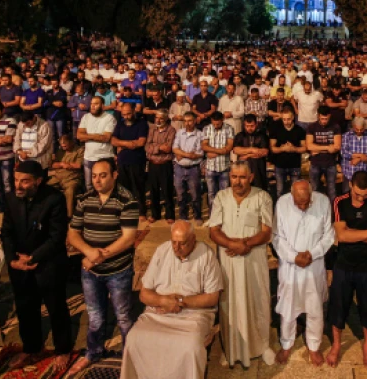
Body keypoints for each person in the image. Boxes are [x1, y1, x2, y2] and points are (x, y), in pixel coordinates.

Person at [121, 221, 224, 379]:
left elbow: (212, 297)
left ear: (193, 239)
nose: (176, 247)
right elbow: (144, 294)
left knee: (191, 347)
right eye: (173, 242)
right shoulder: (162, 250)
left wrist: (180, 302)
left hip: (193, 315)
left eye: (182, 243)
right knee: (134, 338)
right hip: (158, 313)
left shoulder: (207, 254)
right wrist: (163, 301)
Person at [67, 158, 140, 375]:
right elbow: (73, 233)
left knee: (124, 317)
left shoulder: (127, 200)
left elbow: (128, 239)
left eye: (103, 175)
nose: (97, 180)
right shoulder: (85, 198)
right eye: (95, 175)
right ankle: (93, 352)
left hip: (118, 271)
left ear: (114, 175)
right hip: (91, 272)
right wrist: (89, 253)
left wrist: (98, 257)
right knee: (95, 316)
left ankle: (130, 355)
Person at [1, 161, 73, 368]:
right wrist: (12, 259)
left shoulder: (54, 199)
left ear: (38, 181)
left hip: (48, 265)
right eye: (16, 180)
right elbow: (6, 233)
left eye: (25, 181)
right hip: (20, 268)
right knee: (26, 309)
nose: (19, 185)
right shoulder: (11, 198)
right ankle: (31, 348)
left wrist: (32, 259)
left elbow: (56, 237)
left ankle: (63, 349)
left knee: (56, 309)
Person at [207, 162, 275, 368]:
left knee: (258, 299)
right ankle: (231, 349)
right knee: (230, 302)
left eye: (242, 177)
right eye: (234, 177)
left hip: (254, 260)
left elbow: (266, 232)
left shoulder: (262, 197)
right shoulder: (221, 197)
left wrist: (245, 244)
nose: (237, 181)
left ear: (251, 177)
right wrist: (233, 244)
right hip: (228, 261)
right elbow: (214, 230)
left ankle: (262, 347)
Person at [273, 179, 334, 367]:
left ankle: (314, 346)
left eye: (306, 202)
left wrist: (312, 254)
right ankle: (286, 343)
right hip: (290, 266)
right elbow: (277, 236)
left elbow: (328, 234)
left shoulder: (323, 202)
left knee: (315, 307)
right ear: (292, 195)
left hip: (314, 265)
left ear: (311, 193)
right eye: (299, 203)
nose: (303, 206)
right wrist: (293, 256)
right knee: (288, 308)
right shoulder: (282, 203)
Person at [328, 172, 367, 368]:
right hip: (343, 262)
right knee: (338, 306)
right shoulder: (339, 202)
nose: (362, 198)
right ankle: (336, 345)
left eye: (365, 194)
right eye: (358, 194)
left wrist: (352, 233)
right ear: (350, 185)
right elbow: (341, 236)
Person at [111, 102, 149, 214]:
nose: (126, 116)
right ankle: (126, 210)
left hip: (137, 160)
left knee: (139, 188)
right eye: (123, 114)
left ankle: (142, 212)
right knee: (124, 189)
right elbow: (113, 140)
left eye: (128, 114)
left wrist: (121, 144)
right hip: (122, 161)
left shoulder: (141, 124)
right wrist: (130, 144)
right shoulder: (120, 125)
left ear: (134, 111)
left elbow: (141, 142)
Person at [76, 96, 116, 193]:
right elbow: (79, 136)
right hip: (88, 158)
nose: (93, 106)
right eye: (92, 104)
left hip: (104, 157)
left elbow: (106, 137)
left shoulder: (110, 118)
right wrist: (98, 136)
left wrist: (87, 135)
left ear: (102, 106)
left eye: (96, 104)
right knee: (89, 186)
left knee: (105, 186)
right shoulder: (86, 117)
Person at [144, 109, 176, 222]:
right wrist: (159, 147)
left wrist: (154, 147)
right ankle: (155, 214)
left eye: (161, 118)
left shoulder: (171, 130)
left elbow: (168, 148)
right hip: (153, 164)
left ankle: (170, 215)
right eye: (156, 117)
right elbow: (147, 147)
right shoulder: (152, 129)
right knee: (153, 191)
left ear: (166, 119)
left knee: (167, 191)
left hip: (165, 164)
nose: (158, 120)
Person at [172, 111, 204, 222]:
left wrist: (181, 154)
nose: (187, 123)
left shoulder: (200, 134)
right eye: (185, 121)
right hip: (179, 168)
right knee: (180, 195)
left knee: (195, 195)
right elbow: (175, 148)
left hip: (193, 169)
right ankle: (183, 217)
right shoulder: (179, 133)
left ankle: (197, 216)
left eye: (190, 120)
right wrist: (187, 154)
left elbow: (199, 154)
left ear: (195, 121)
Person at [306, 105, 341, 201]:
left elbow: (337, 147)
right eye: (322, 119)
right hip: (315, 163)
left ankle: (333, 213)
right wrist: (327, 147)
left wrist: (317, 149)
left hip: (330, 163)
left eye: (326, 119)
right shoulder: (312, 127)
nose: (324, 121)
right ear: (318, 116)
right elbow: (309, 146)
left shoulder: (335, 127)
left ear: (329, 116)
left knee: (332, 191)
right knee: (314, 191)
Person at [270, 109, 307, 196]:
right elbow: (272, 149)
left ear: (293, 117)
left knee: (295, 192)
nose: (286, 122)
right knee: (280, 191)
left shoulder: (300, 130)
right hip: (280, 165)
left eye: (288, 119)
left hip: (295, 165)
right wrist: (282, 149)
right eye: (284, 119)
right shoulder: (276, 130)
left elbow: (304, 148)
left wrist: (294, 149)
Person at [201, 111, 234, 206]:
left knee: (224, 195)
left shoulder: (229, 129)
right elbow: (204, 146)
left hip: (224, 167)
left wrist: (213, 152)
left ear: (222, 119)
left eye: (218, 124)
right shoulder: (206, 128)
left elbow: (228, 148)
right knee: (211, 194)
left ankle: (224, 217)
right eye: (214, 123)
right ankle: (213, 217)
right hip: (210, 167)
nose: (215, 125)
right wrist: (220, 151)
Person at [47, 134, 84, 216]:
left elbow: (78, 165)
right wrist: (63, 164)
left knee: (70, 192)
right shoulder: (60, 151)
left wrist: (65, 165)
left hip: (72, 178)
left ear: (71, 142)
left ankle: (69, 216)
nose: (63, 146)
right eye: (61, 144)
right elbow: (53, 165)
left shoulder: (79, 150)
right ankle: (48, 213)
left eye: (65, 144)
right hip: (57, 177)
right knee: (45, 187)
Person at [233, 114, 270, 193]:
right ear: (244, 125)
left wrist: (247, 155)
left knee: (259, 191)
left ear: (256, 124)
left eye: (252, 126)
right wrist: (253, 150)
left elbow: (264, 152)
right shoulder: (240, 135)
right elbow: (236, 150)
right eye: (247, 126)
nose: (249, 128)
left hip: (259, 169)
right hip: (243, 169)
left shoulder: (262, 135)